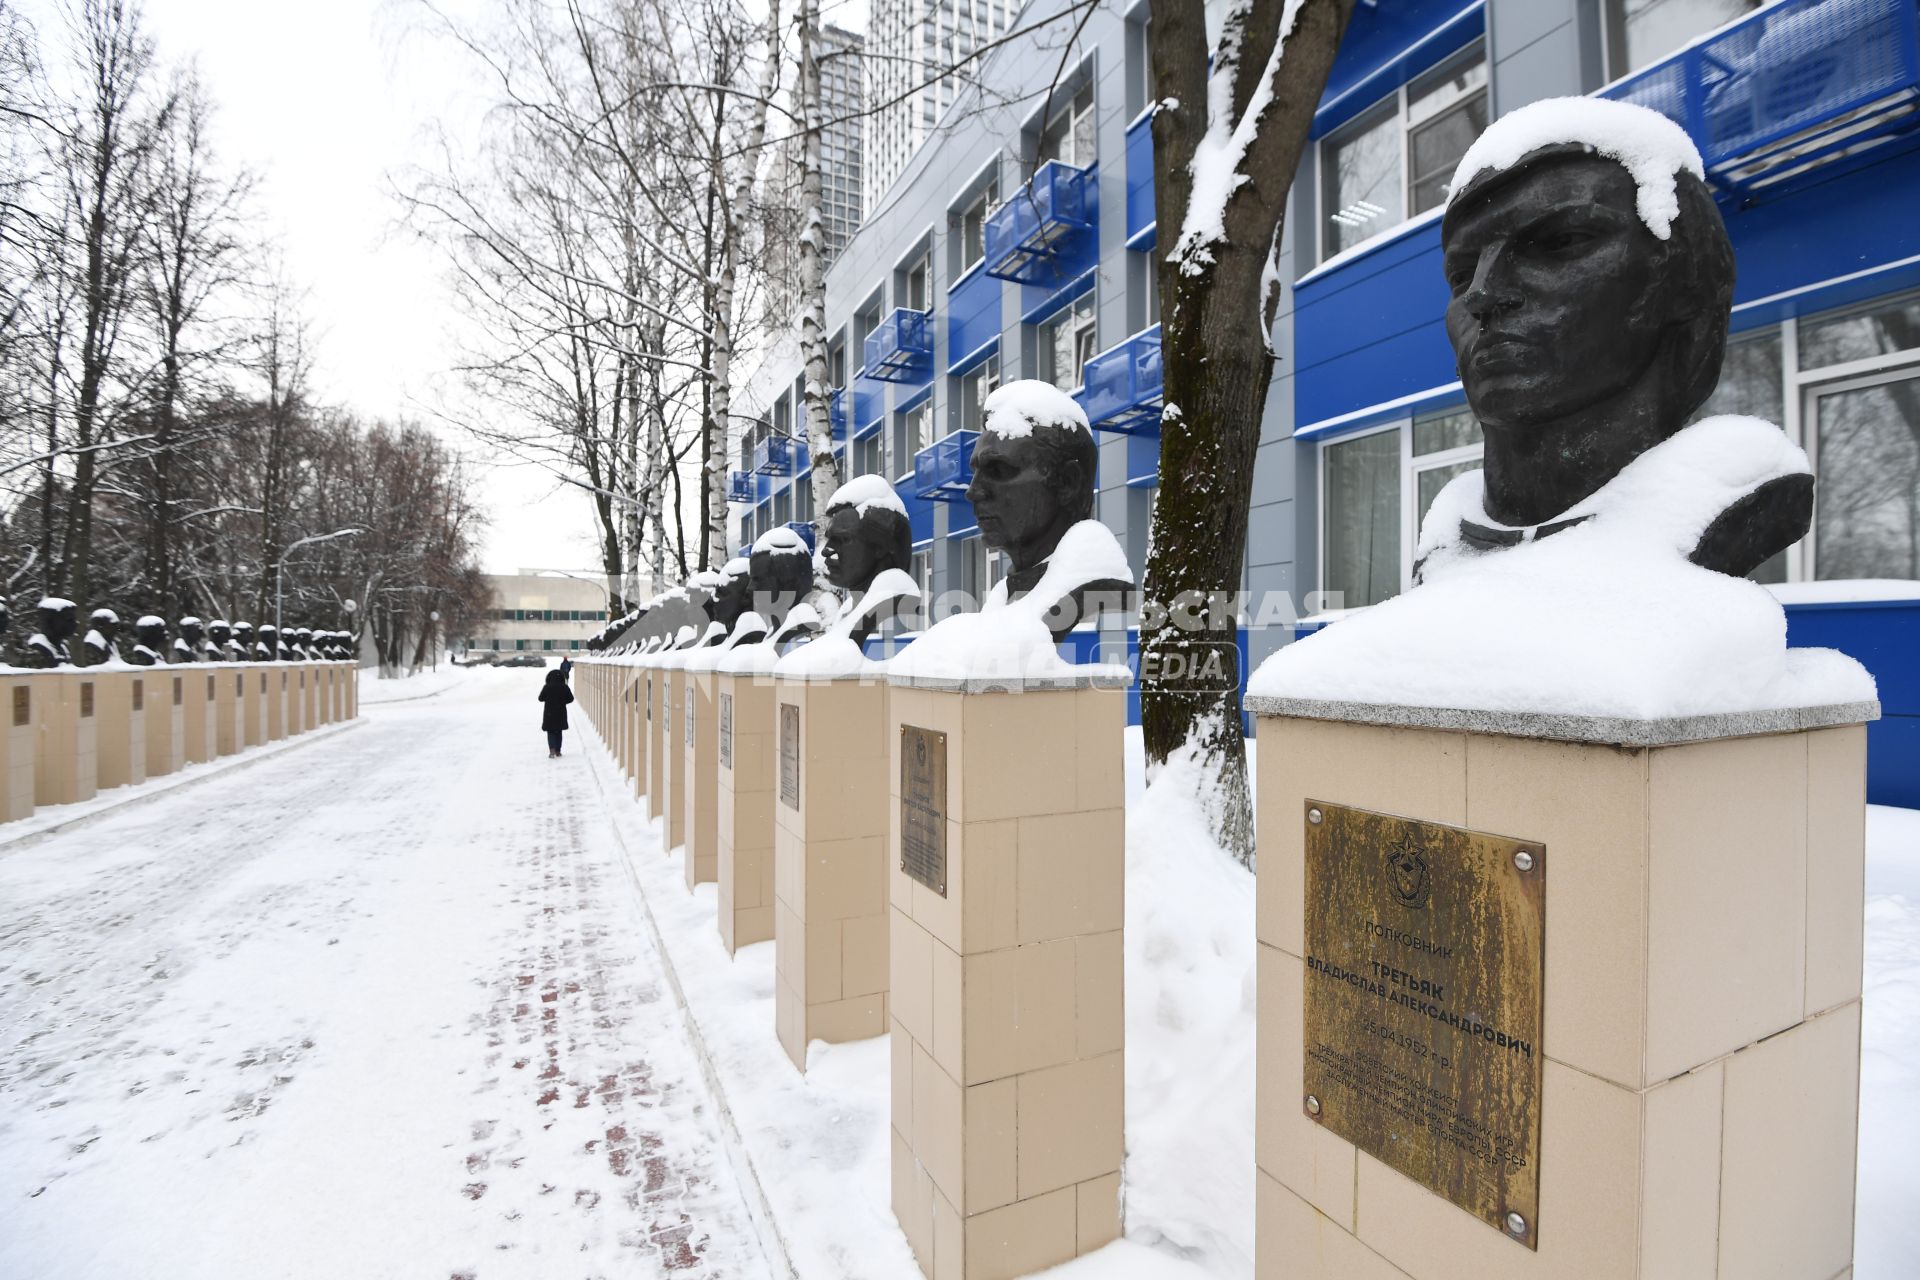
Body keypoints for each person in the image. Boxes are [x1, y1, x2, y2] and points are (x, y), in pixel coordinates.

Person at [538, 667, 573, 758]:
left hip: (549, 713)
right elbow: (571, 699)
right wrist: (562, 701)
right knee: (558, 732)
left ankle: (552, 750)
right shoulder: (564, 687)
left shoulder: (547, 687)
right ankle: (558, 750)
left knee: (550, 732)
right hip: (560, 712)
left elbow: (540, 698)